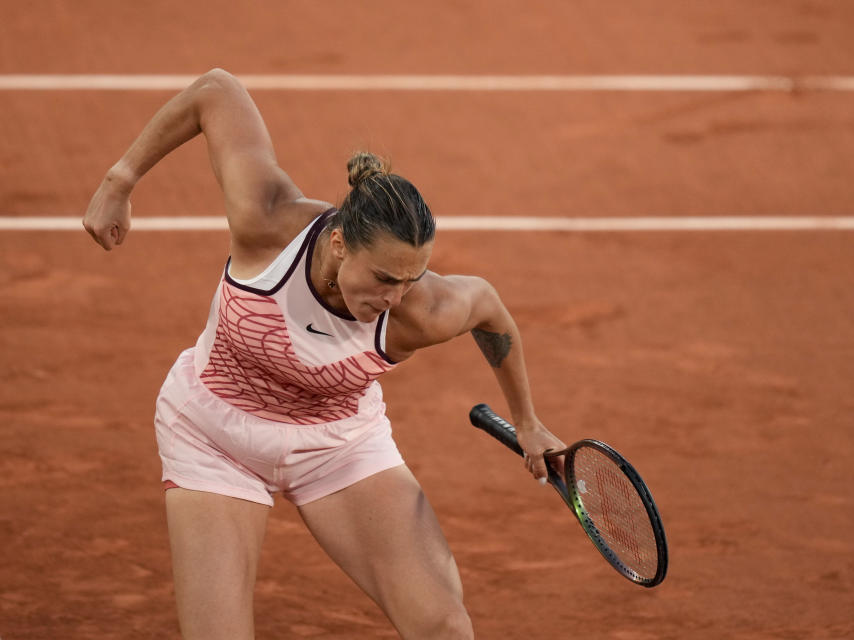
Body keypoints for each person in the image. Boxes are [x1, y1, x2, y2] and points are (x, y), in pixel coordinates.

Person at [82, 68, 565, 640]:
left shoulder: (421, 309)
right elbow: (216, 91)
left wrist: (529, 422)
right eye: (384, 277)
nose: (393, 297)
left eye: (408, 281)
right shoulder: (268, 223)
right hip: (215, 436)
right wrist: (120, 179)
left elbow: (489, 311)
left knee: (444, 627)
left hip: (336, 444)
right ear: (338, 242)